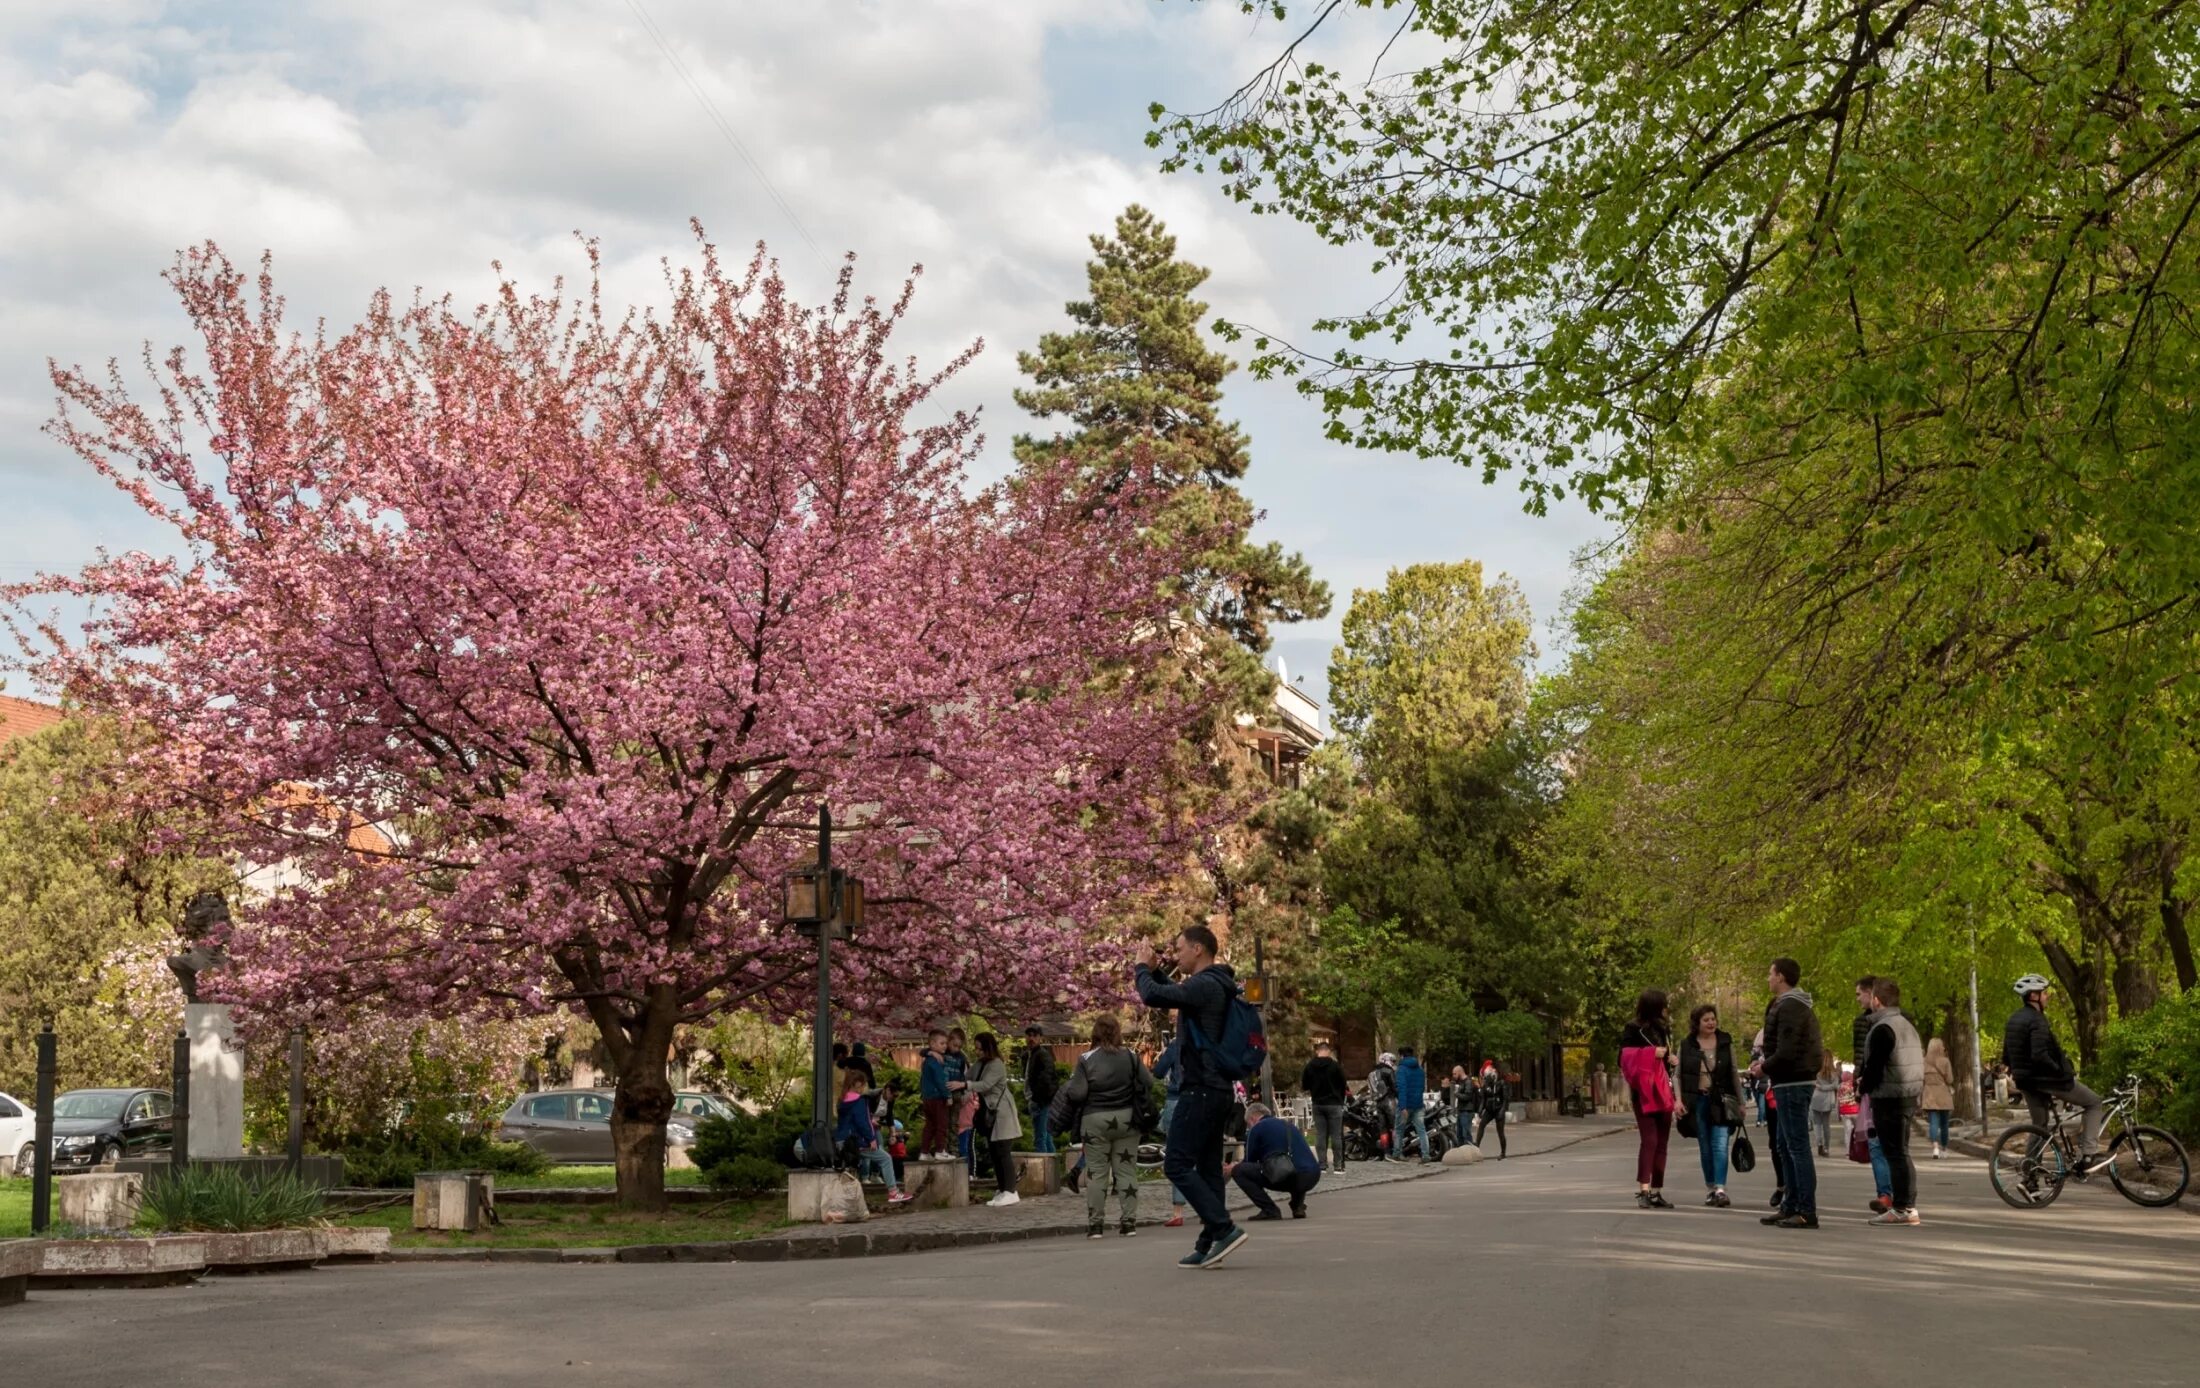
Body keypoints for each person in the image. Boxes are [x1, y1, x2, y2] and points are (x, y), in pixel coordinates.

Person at [1135, 925, 1251, 1269]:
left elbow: (1153, 996)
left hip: (1199, 1088)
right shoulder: (1214, 984)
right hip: (1216, 1089)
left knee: (1177, 1163)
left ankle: (1223, 1228)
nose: (1177, 954)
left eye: (1181, 948)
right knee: (1208, 1168)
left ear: (1199, 949)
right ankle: (1210, 1241)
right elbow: (1175, 995)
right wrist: (1156, 971)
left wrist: (1141, 968)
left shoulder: (1205, 984)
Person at [2003, 973, 2108, 1173]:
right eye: (2044, 993)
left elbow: (2006, 1056)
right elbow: (2040, 1055)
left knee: (2040, 1126)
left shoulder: (2013, 1020)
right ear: (2033, 996)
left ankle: (2030, 1175)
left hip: (2025, 1082)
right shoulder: (2037, 1020)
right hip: (2047, 1079)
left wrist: (2021, 1072)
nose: (2047, 996)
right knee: (2094, 1102)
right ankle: (2088, 1155)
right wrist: (2062, 1072)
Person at [1058, 1015, 1151, 1238]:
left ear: (1095, 1033)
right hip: (1127, 1120)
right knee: (1126, 1171)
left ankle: (1096, 1225)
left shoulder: (1086, 1059)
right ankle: (1129, 1223)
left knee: (1097, 1173)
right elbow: (1148, 1082)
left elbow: (1078, 1093)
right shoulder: (1130, 1056)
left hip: (1095, 1121)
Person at [1754, 957, 1823, 1229]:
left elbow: (1787, 1050)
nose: (1768, 979)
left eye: (1770, 974)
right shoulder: (1787, 1005)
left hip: (1793, 1082)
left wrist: (1763, 1067)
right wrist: (1765, 1064)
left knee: (1797, 1147)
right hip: (1785, 1081)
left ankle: (1806, 1210)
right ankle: (1790, 1205)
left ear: (1781, 976)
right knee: (1784, 1145)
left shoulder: (1791, 1006)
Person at [1858, 978, 1923, 1226]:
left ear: (1876, 1000)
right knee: (1901, 1153)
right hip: (1907, 1094)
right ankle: (1906, 1204)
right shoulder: (1906, 1024)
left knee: (1894, 1153)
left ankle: (1903, 1206)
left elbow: (1876, 1066)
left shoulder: (1884, 1028)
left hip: (1889, 1096)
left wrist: (1863, 1086)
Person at [1678, 1003, 1745, 1207]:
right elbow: (1678, 1074)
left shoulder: (1725, 1041)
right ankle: (1710, 1188)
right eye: (1706, 1019)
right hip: (1697, 1101)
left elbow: (1733, 1072)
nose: (1711, 1023)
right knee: (1705, 1146)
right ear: (1697, 1023)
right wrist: (1677, 1100)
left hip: (1721, 1101)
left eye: (1713, 1019)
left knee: (1720, 1144)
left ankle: (1720, 1189)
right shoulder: (1687, 1044)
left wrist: (1741, 1102)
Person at [1620, 990, 1676, 1207]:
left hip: (1664, 1089)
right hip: (1643, 1091)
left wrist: (1671, 1059)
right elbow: (1623, 1057)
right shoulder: (1633, 1028)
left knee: (1662, 1142)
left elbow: (1665, 1059)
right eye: (1663, 1004)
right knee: (1650, 1140)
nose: (1666, 1007)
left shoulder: (1664, 1028)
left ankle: (1656, 1190)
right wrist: (1651, 1053)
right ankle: (1644, 1189)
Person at [836, 1065, 913, 1205]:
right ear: (857, 1085)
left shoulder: (842, 1100)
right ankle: (893, 1192)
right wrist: (871, 1138)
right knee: (885, 1158)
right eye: (863, 1085)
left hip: (842, 1140)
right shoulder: (859, 1101)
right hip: (855, 1141)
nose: (865, 1088)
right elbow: (863, 1122)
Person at [1232, 1101, 1322, 1219]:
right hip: (1312, 1175)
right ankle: (1297, 1205)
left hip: (1286, 1175)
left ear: (1252, 1118)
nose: (1248, 1128)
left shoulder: (1257, 1128)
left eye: (1248, 1124)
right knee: (1294, 1165)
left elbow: (1249, 1161)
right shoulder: (1289, 1125)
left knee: (1239, 1171)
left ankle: (1270, 1210)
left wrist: (1233, 1166)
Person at [1851, 977, 1895, 1214]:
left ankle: (1889, 1195)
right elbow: (1858, 1055)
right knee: (1883, 1144)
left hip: (1879, 1087)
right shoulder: (1861, 1022)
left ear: (1872, 995)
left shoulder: (1882, 1023)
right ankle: (1888, 1194)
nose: (1858, 998)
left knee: (1881, 1145)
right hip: (1872, 1086)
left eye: (1860, 994)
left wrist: (1862, 1084)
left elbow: (1867, 1059)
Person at [966, 1033, 1024, 1207]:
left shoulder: (996, 1064)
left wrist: (965, 1086)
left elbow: (985, 1085)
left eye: (979, 1048)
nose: (977, 1051)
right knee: (995, 1152)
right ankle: (1003, 1188)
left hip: (1002, 1112)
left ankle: (1011, 1190)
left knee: (1003, 1151)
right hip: (989, 1112)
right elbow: (968, 1076)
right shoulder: (980, 1064)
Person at [1150, 1037, 1190, 1225]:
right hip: (1203, 1099)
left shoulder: (1177, 1045)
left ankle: (1178, 1211)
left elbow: (1158, 1072)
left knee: (1176, 1155)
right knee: (1203, 1154)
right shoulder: (1209, 1040)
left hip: (1176, 1099)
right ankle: (1210, 1205)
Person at [1301, 1041, 1350, 1172]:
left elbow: (1305, 1085)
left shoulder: (1310, 1066)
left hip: (1317, 1103)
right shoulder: (1335, 1066)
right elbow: (1343, 1084)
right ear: (1328, 1051)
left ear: (1317, 1051)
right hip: (1334, 1104)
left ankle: (1322, 1164)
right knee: (1336, 1136)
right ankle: (1338, 1166)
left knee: (1320, 1135)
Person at [1022, 1026, 1060, 1156]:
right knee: (1046, 1138)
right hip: (1038, 1100)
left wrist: (1037, 1098)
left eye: (1035, 1035)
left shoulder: (1042, 1055)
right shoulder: (1029, 1055)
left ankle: (1044, 1171)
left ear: (1040, 1038)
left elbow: (1047, 1078)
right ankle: (1052, 1172)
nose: (1031, 1038)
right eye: (1029, 1035)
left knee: (1040, 1138)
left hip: (1042, 1102)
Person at [917, 1030, 954, 1159]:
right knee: (941, 1124)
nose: (944, 1046)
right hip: (937, 1097)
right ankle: (940, 1150)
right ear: (932, 1044)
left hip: (927, 1098)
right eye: (941, 1043)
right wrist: (947, 1095)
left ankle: (924, 1152)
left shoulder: (927, 1060)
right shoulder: (934, 1061)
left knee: (930, 1125)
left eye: (945, 1043)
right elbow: (940, 1080)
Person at [1394, 1047, 1432, 1163]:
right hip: (1418, 1104)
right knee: (1422, 1130)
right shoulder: (1420, 1070)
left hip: (1406, 1105)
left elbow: (1402, 1088)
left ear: (1402, 1055)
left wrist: (1403, 1106)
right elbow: (1421, 1088)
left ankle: (1397, 1153)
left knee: (1399, 1130)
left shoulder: (1401, 1069)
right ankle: (1426, 1155)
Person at [1921, 1036, 1956, 1159]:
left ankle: (1935, 1148)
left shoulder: (1924, 1061)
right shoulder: (1945, 1061)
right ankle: (1944, 1148)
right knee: (1944, 1123)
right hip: (1943, 1094)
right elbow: (1950, 1079)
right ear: (1940, 1047)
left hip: (1929, 1093)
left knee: (1933, 1123)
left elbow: (1921, 1079)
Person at [1367, 1052, 1399, 1159]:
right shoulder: (1388, 1071)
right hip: (1389, 1100)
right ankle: (1397, 1151)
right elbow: (1395, 1087)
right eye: (1393, 1061)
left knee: (1383, 1129)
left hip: (1378, 1103)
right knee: (1395, 1126)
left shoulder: (1372, 1073)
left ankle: (1386, 1152)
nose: (1394, 1063)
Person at [1810, 1049, 1839, 1157]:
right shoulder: (1834, 1072)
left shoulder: (1816, 1071)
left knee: (1817, 1123)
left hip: (1816, 1097)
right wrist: (1826, 1087)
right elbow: (1835, 1085)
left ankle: (1819, 1144)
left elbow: (1814, 1083)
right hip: (1828, 1099)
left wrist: (1820, 1087)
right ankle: (1826, 1147)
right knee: (1826, 1124)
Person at [1477, 1059, 1509, 1157]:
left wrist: (1502, 1110)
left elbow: (1506, 1099)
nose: (1486, 1079)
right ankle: (1476, 1147)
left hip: (1498, 1108)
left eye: (1487, 1077)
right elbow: (1483, 1099)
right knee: (1481, 1125)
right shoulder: (1486, 1085)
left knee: (1500, 1132)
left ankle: (1503, 1152)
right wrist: (1480, 1109)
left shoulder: (1501, 1083)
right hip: (1489, 1109)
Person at [1447, 1065, 1477, 1145]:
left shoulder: (1468, 1082)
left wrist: (1457, 1094)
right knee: (1459, 1133)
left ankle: (1471, 1151)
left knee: (1466, 1133)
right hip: (1461, 1110)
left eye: (1455, 1074)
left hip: (1466, 1111)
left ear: (1460, 1072)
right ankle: (1460, 1150)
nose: (1454, 1076)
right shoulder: (1462, 1082)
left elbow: (1468, 1096)